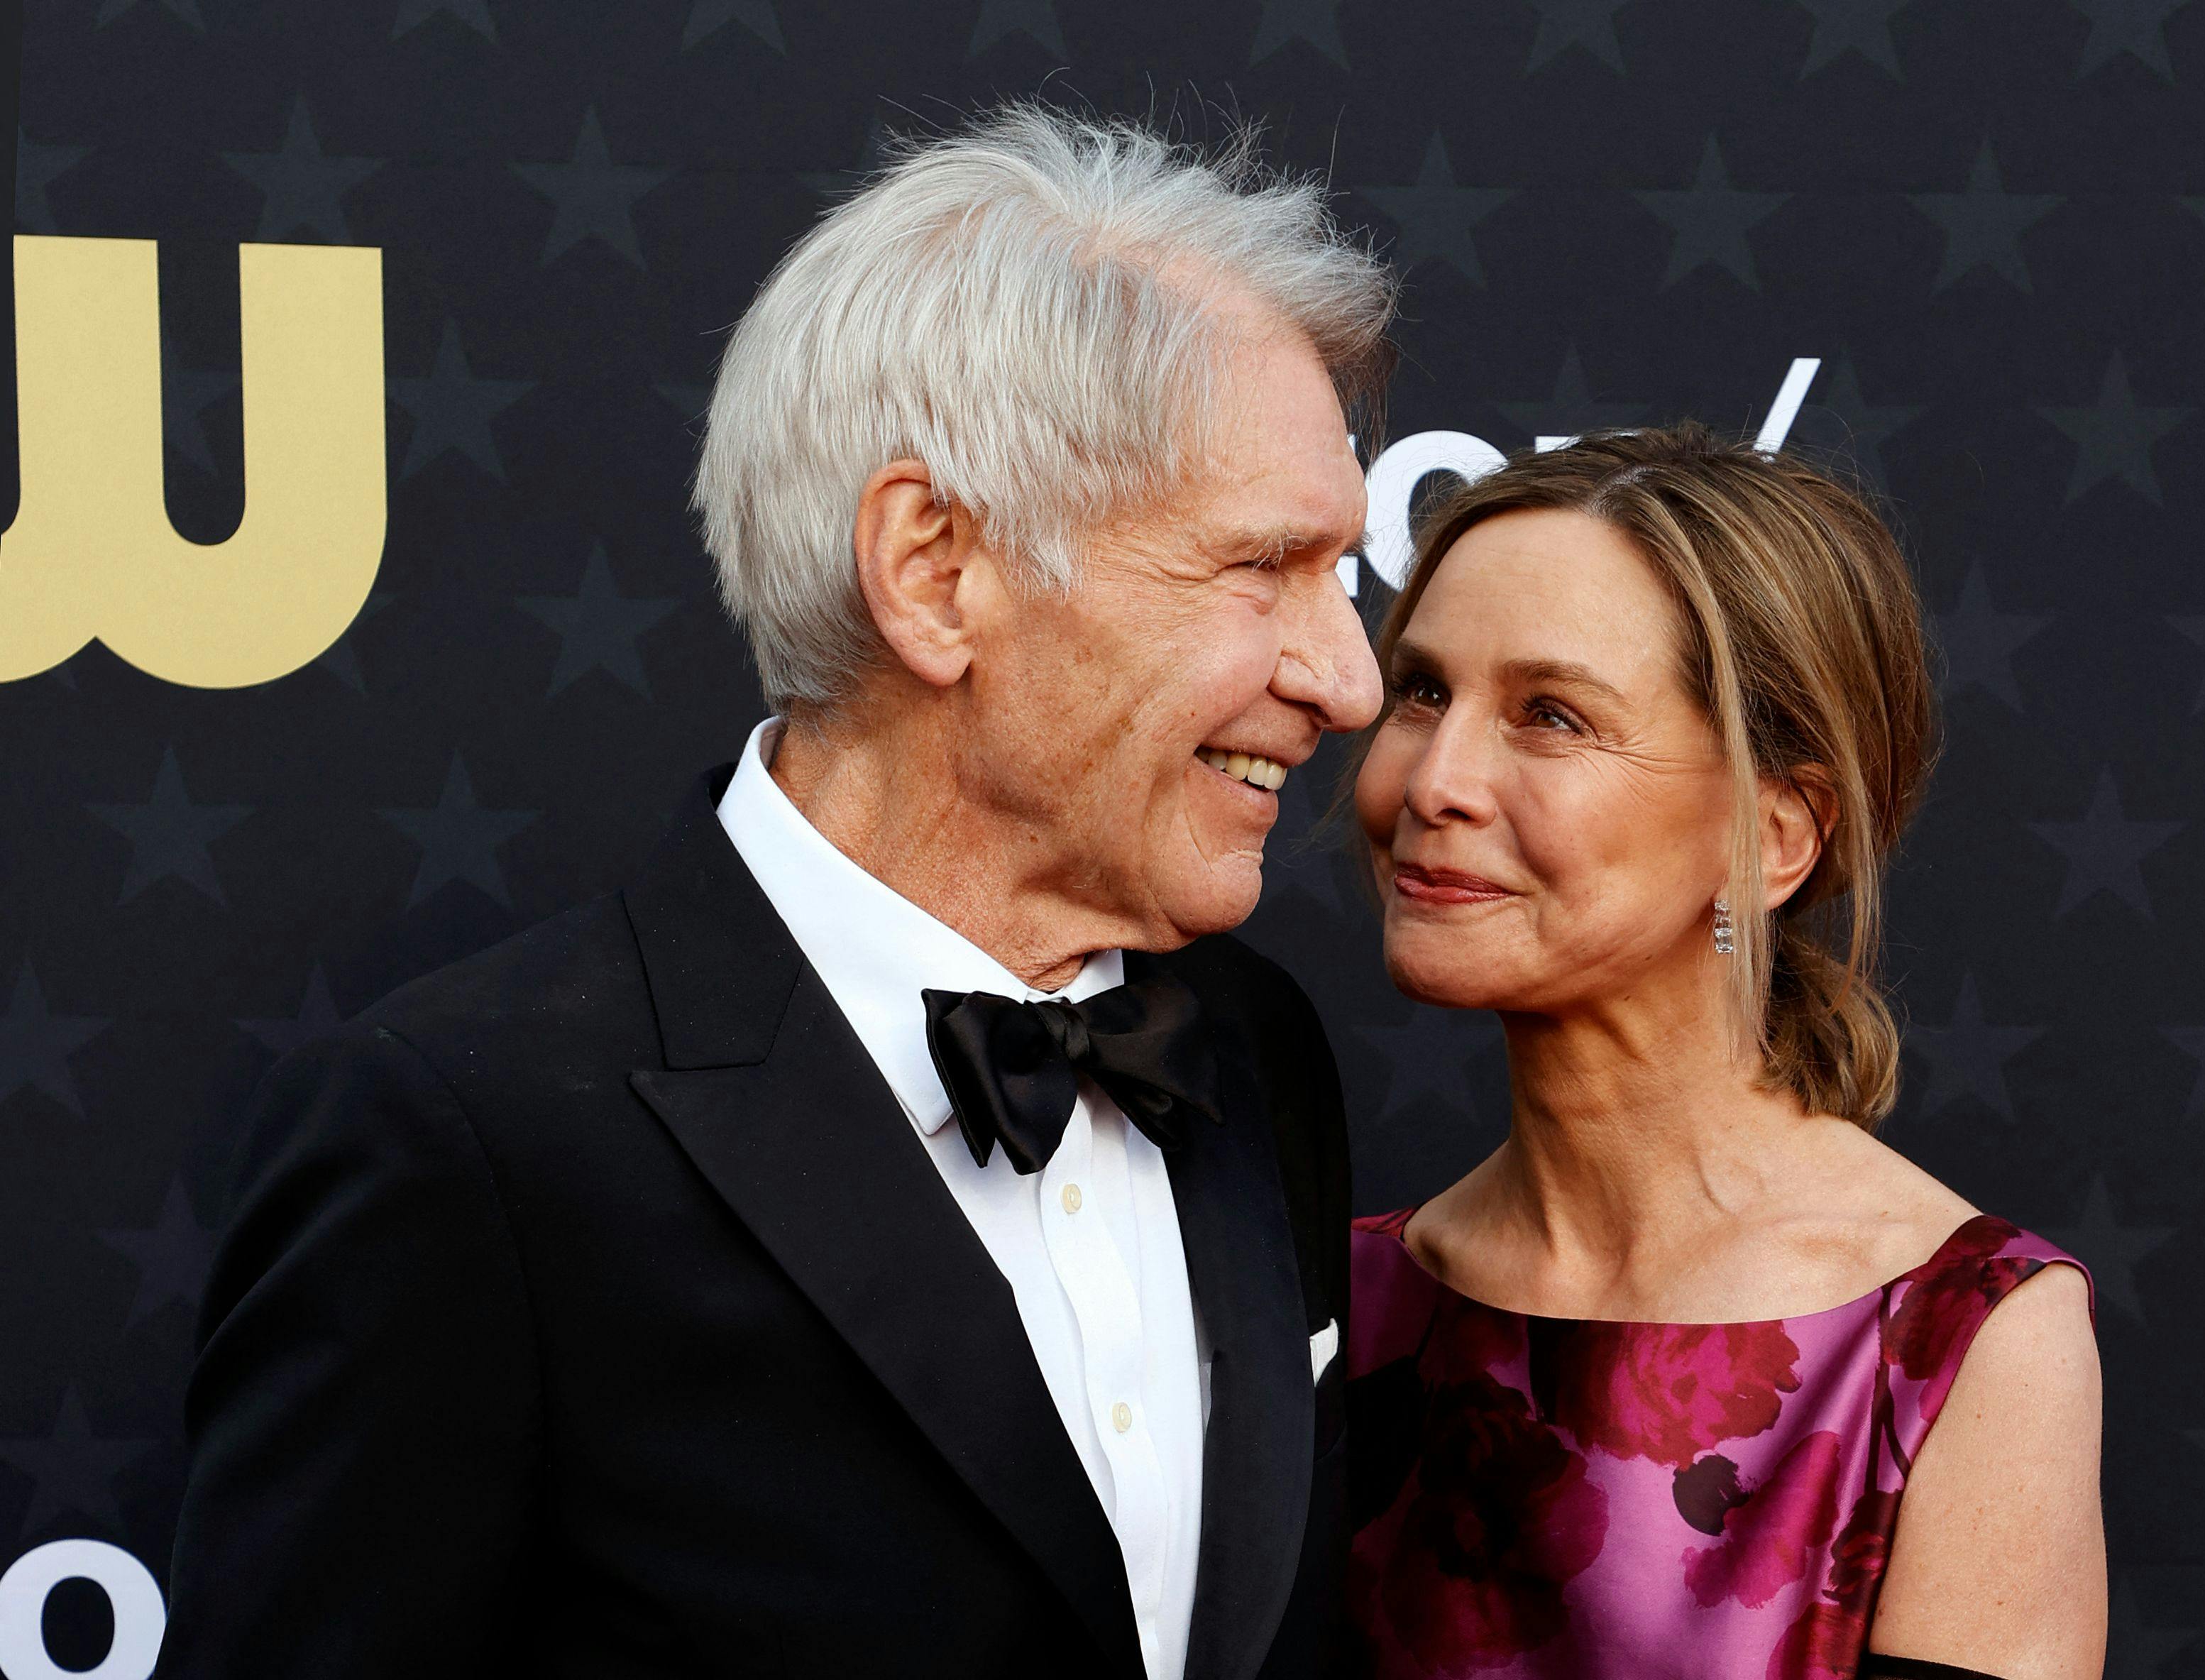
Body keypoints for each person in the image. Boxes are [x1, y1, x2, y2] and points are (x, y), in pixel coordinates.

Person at [163, 106, 1394, 1680]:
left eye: (1339, 580)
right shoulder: (467, 1145)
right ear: (937, 571)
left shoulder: (1250, 1049)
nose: (1347, 680)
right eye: (1259, 569)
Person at [1340, 426, 2107, 1679]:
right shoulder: (1334, 1302)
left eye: (1549, 715)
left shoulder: (1957, 1335)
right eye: (1424, 691)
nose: (1437, 778)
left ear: (1774, 831)